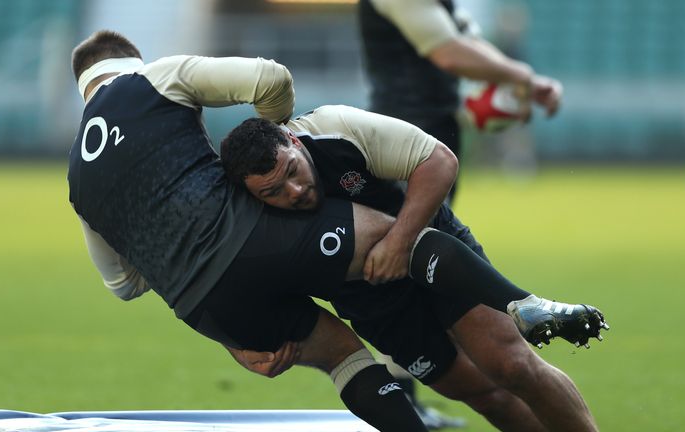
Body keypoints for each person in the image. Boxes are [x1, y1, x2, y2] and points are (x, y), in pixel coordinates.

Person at [68, 30, 430, 432]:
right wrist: (276, 146)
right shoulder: (153, 79)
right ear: (132, 61)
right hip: (255, 233)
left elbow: (124, 284)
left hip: (208, 308)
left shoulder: (77, 179)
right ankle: (505, 302)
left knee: (342, 356)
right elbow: (270, 79)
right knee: (397, 233)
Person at [219, 106, 608, 431]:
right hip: (368, 299)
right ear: (251, 195)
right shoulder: (241, 212)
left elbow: (439, 161)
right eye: (272, 192)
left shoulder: (336, 129)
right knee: (481, 393)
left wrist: (397, 243)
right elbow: (214, 276)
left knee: (511, 365)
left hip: (434, 250)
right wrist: (239, 346)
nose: (295, 191)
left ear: (294, 141)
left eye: (292, 171)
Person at [357, 0, 563, 204]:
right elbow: (449, 52)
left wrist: (526, 81)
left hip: (432, 130)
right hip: (402, 136)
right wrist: (521, 75)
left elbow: (467, 42)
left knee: (426, 227)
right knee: (415, 231)